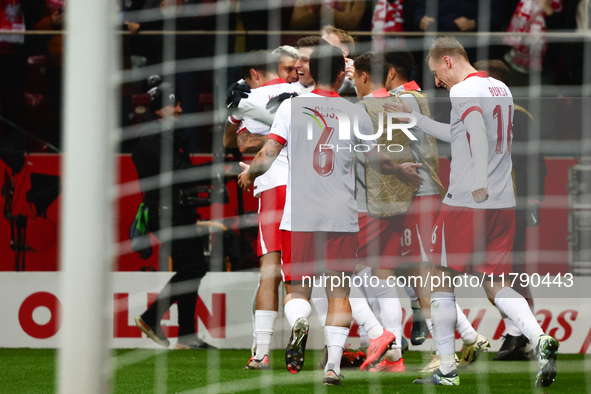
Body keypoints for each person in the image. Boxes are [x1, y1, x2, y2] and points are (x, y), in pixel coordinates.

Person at [384, 37, 558, 387]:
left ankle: (447, 369)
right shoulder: (500, 88)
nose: (437, 81)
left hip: (467, 200)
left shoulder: (462, 90)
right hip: (503, 202)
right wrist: (416, 119)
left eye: (436, 72)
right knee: (496, 284)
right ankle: (540, 338)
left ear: (448, 61)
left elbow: (476, 131)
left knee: (439, 280)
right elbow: (460, 132)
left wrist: (478, 178)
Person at [237, 45, 406, 386]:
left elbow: (269, 154)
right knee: (339, 293)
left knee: (297, 290)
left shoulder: (291, 106)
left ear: (310, 71)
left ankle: (298, 322)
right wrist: (402, 171)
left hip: (300, 214)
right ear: (342, 75)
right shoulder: (354, 112)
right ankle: (332, 367)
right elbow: (376, 160)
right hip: (341, 215)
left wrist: (249, 175)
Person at [385, 51, 490, 373]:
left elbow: (390, 142)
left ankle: (441, 345)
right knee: (408, 270)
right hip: (414, 197)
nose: (437, 82)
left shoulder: (405, 99)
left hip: (420, 195)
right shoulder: (408, 96)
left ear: (389, 73)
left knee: (421, 273)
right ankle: (465, 336)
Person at [223, 50, 301, 370]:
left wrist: (232, 112)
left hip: (273, 187)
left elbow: (238, 144)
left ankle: (262, 352)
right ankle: (339, 343)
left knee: (269, 272)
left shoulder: (248, 97)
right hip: (311, 190)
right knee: (305, 274)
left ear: (253, 74)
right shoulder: (303, 93)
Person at [474, 59, 548, 361]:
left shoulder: (518, 116)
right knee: (490, 271)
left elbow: (535, 161)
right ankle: (520, 333)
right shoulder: (481, 114)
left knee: (509, 270)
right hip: (485, 204)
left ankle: (520, 336)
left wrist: (533, 199)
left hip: (512, 203)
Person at [132, 77, 213, 350]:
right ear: (160, 108)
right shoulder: (153, 136)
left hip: (177, 210)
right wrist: (216, 169)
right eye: (175, 104)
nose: (180, 109)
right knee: (193, 268)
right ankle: (151, 318)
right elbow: (179, 172)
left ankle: (187, 336)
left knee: (191, 268)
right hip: (166, 212)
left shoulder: (164, 134)